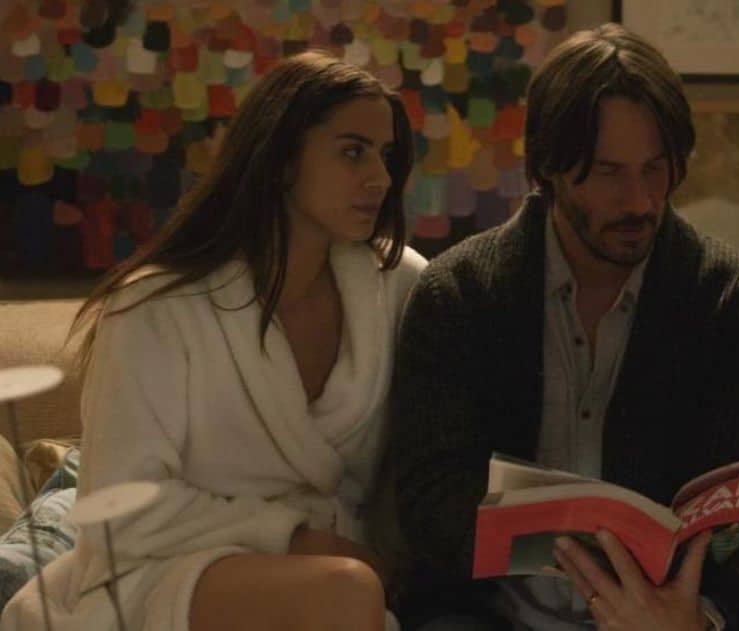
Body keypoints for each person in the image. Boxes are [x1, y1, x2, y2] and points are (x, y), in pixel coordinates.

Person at [367, 23, 739, 631]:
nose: (640, 201)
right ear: (548, 167)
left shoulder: (737, 302)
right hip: (485, 614)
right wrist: (554, 536)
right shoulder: (456, 294)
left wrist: (692, 616)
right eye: (608, 172)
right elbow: (427, 499)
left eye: (655, 169)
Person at [0, 51, 426, 631]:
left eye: (386, 155)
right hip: (162, 570)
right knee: (345, 590)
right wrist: (295, 538)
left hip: (337, 575)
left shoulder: (396, 286)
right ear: (281, 159)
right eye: (353, 152)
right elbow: (117, 510)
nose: (380, 177)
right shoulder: (155, 307)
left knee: (350, 590)